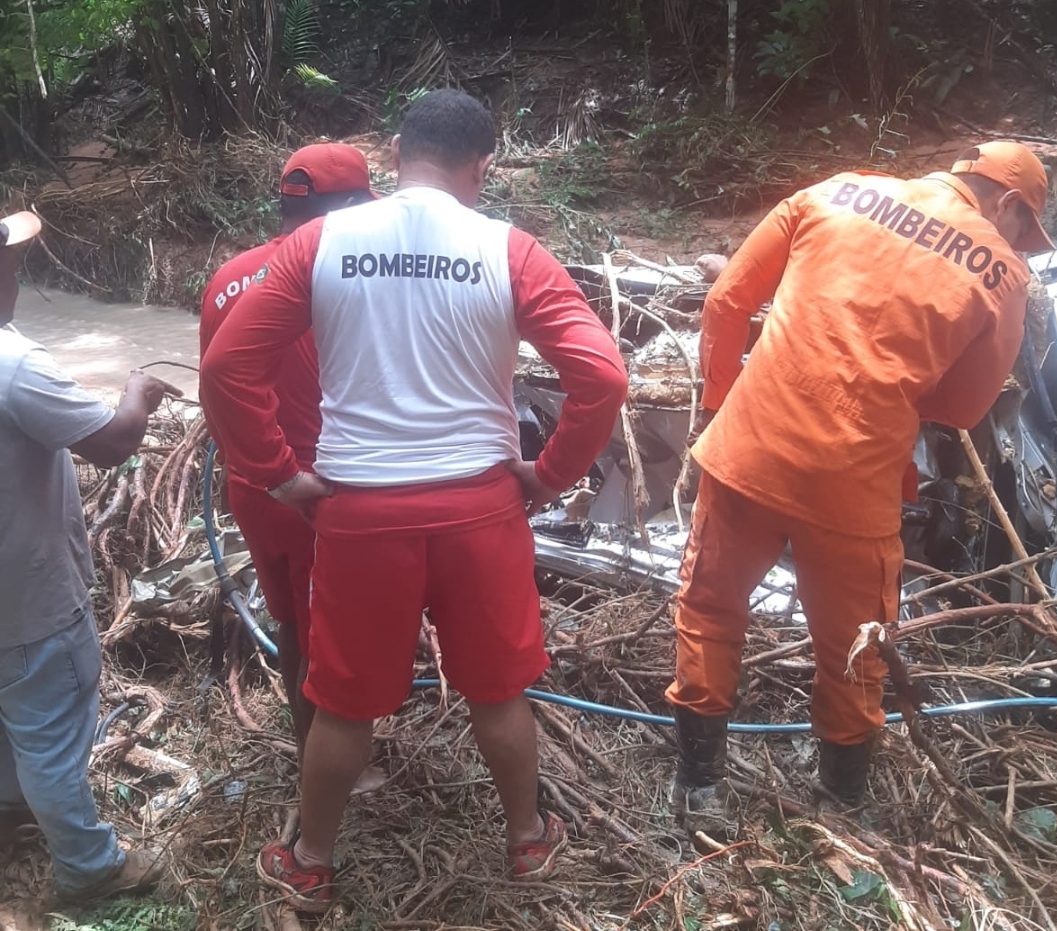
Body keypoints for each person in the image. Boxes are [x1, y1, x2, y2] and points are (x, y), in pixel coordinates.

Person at [201, 88, 628, 911]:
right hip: (481, 509)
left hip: (360, 515)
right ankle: (528, 841)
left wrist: (280, 473)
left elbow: (225, 369)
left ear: (396, 155)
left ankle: (311, 860)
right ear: (482, 166)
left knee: (342, 701)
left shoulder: (320, 243)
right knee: (499, 692)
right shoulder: (510, 249)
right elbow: (603, 375)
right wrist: (549, 474)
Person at [666, 141, 1051, 828]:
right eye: (1024, 225)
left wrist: (723, 407)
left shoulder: (834, 190)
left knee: (711, 609)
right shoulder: (1005, 274)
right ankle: (841, 807)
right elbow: (960, 409)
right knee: (854, 646)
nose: (1018, 238)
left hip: (750, 447)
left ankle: (700, 789)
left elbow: (726, 300)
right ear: (1009, 204)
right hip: (856, 478)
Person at [0, 210, 179, 898]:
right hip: (28, 598)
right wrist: (136, 390)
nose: (19, 273)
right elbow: (109, 442)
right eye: (13, 265)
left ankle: (12, 806)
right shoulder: (14, 366)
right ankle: (89, 867)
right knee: (50, 731)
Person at [199, 142, 378, 765]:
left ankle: (312, 751)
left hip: (252, 486)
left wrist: (254, 469)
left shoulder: (227, 278)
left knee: (289, 623)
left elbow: (215, 388)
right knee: (329, 635)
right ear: (351, 207)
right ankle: (334, 773)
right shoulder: (343, 277)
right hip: (314, 491)